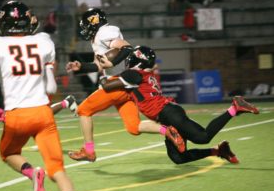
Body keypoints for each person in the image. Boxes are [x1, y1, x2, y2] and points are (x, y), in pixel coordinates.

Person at [0, 1, 75, 191]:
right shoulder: (43, 42)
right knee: (58, 170)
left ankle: (33, 173)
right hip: (43, 113)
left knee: (9, 153)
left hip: (17, 115)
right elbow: (50, 86)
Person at [100, 45, 260, 164]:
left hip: (167, 113)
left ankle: (234, 107)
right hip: (166, 115)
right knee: (178, 157)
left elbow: (107, 87)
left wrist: (101, 74)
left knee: (202, 137)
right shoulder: (142, 73)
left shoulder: (133, 73)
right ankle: (219, 151)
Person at [66, 8, 185, 162]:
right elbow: (98, 66)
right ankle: (168, 130)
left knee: (83, 111)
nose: (84, 29)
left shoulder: (104, 32)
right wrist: (81, 67)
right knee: (133, 127)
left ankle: (89, 151)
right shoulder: (99, 37)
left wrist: (111, 62)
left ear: (92, 22)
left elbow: (127, 48)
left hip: (117, 83)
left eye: (85, 25)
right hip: (125, 86)